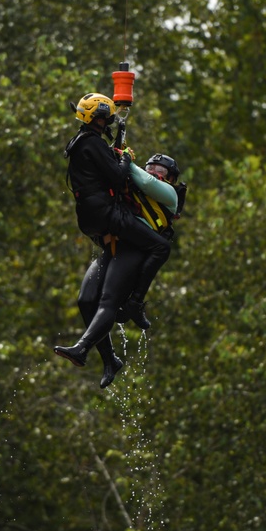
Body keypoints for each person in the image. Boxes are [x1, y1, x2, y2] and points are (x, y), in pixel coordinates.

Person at [54, 93, 173, 370]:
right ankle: (135, 303)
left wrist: (119, 153)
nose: (108, 121)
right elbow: (119, 179)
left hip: (89, 219)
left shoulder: (80, 143)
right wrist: (126, 159)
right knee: (161, 247)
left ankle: (108, 359)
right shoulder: (93, 143)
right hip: (109, 217)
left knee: (88, 300)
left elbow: (107, 170)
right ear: (98, 118)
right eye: (106, 117)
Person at [73, 154, 186, 388]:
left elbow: (146, 183)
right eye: (151, 167)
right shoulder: (131, 186)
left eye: (161, 170)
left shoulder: (169, 194)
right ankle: (109, 360)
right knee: (85, 300)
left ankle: (81, 348)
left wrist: (125, 159)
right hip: (116, 245)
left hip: (137, 249)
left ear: (171, 178)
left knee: (107, 301)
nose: (155, 171)